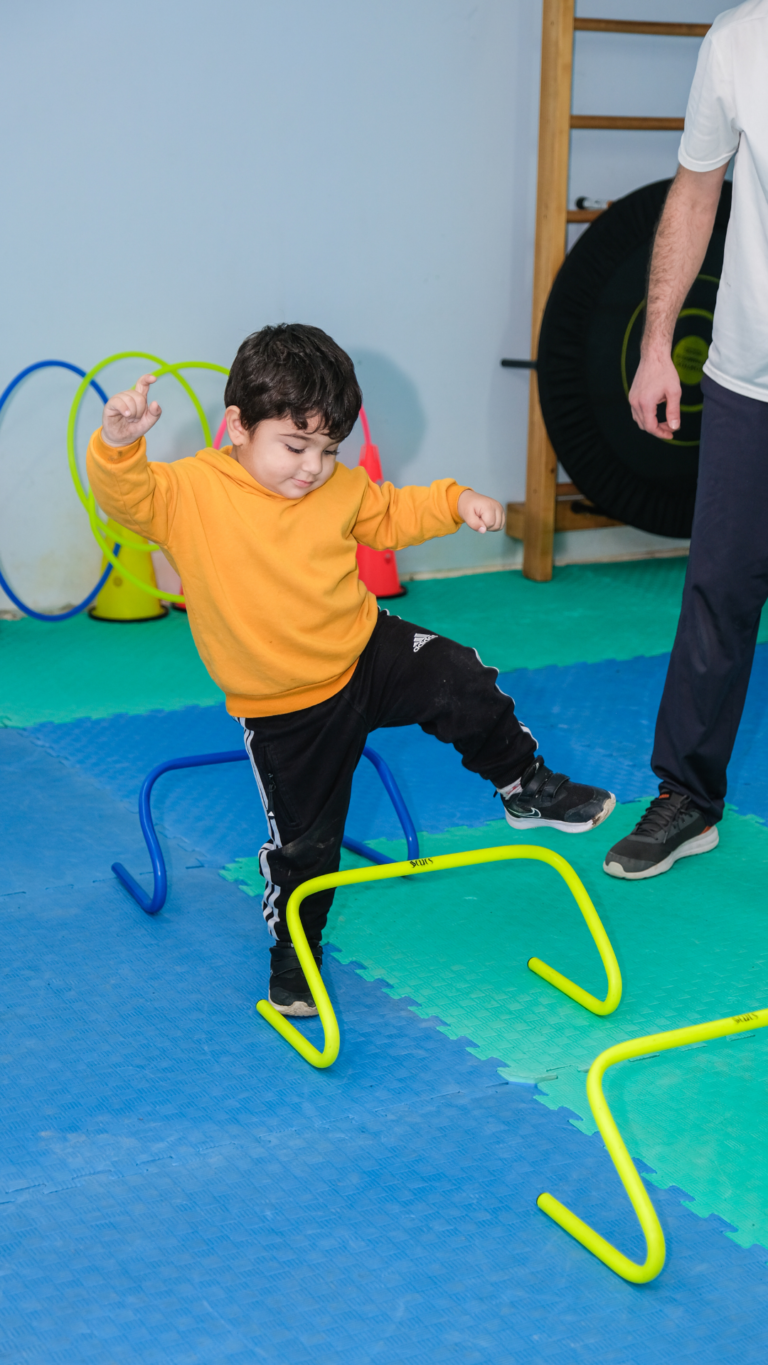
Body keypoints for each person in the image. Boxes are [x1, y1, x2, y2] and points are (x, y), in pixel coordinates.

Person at [88, 324, 614, 1015]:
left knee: (460, 676)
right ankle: (294, 954)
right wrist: (119, 445)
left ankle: (523, 784)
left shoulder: (336, 486)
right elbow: (126, 499)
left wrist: (455, 502)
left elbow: (390, 513)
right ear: (238, 427)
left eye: (329, 448)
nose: (313, 466)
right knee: (307, 848)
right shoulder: (191, 491)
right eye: (295, 446)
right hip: (285, 706)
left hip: (365, 652)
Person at [604, 0, 768, 881]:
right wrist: (657, 343)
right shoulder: (739, 40)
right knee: (718, 591)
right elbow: (697, 189)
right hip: (749, 375)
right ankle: (689, 797)